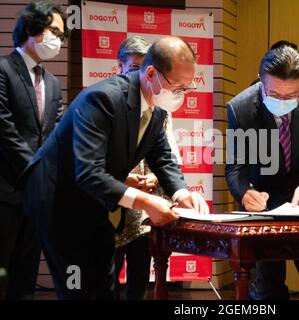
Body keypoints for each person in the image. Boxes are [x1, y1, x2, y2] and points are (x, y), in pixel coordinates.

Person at [21, 36, 209, 299]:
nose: (179, 95)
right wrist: (145, 202)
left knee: (101, 282)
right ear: (151, 73)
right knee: (78, 287)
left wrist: (181, 193)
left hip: (94, 202)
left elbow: (161, 155)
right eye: (176, 86)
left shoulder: (156, 110)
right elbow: (88, 171)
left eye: (186, 89)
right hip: (58, 198)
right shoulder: (102, 99)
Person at [225, 46, 299, 300]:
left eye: (292, 96)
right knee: (268, 285)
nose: (283, 102)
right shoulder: (240, 108)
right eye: (274, 94)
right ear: (260, 81)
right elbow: (235, 168)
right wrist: (245, 193)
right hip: (264, 206)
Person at [0, 0, 67, 300]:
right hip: (5, 190)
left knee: (25, 275)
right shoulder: (2, 70)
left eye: (61, 35)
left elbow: (56, 133)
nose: (58, 40)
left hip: (36, 195)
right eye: (54, 30)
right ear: (30, 28)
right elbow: (3, 128)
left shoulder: (52, 83)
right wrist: (36, 169)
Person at [113, 35, 182, 300]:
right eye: (133, 68)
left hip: (145, 205)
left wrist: (153, 177)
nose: (140, 76)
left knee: (140, 273)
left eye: (146, 68)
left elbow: (167, 154)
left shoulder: (160, 108)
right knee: (109, 273)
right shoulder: (107, 100)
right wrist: (124, 179)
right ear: (119, 66)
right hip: (115, 202)